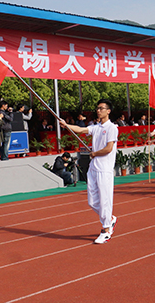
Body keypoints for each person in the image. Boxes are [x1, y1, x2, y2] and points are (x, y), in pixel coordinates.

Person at [62, 99, 118, 244]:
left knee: (105, 200)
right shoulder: (95, 127)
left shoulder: (112, 128)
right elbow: (81, 130)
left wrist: (94, 153)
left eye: (101, 108)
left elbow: (108, 148)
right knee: (92, 201)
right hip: (94, 168)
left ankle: (106, 230)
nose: (98, 110)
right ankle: (110, 218)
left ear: (108, 111)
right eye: (97, 108)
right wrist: (66, 125)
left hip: (104, 168)